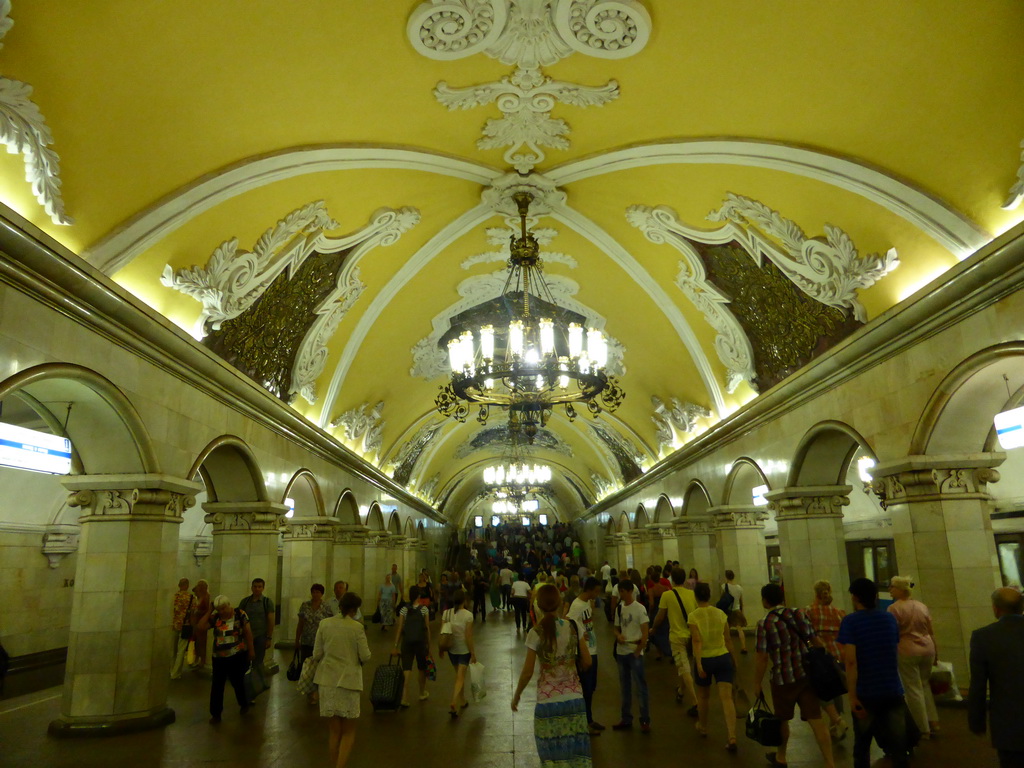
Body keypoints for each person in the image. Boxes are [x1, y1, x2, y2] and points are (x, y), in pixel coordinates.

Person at [754, 582, 834, 768]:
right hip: (806, 675)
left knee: (782, 719)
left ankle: (781, 757)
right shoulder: (798, 613)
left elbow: (762, 658)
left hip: (783, 679)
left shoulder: (764, 624)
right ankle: (830, 763)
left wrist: (757, 683)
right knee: (816, 720)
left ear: (765, 601)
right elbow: (815, 640)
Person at [512, 583, 592, 768]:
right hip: (574, 700)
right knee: (577, 756)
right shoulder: (573, 626)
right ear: (559, 603)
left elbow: (527, 672)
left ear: (538, 606)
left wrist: (517, 696)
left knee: (552, 758)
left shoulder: (535, 632)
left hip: (548, 702)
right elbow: (587, 661)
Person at [838, 577, 908, 768]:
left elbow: (851, 661)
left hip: (866, 691)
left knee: (862, 744)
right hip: (892, 688)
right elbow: (894, 650)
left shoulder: (850, 622)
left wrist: (852, 696)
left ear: (855, 597)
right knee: (899, 744)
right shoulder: (889, 619)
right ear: (876, 596)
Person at [312, 591, 371, 768]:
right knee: (349, 732)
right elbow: (365, 655)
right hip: (349, 682)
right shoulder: (357, 627)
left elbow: (316, 654)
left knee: (334, 731)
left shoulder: (324, 624)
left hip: (327, 681)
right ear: (354, 609)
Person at [969, 587, 1024, 768]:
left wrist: (977, 721)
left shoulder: (983, 637)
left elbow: (978, 684)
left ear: (996, 608)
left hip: (1009, 724)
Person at [887, 575, 939, 738]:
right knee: (924, 685)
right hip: (927, 647)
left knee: (912, 688)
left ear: (900, 590)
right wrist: (936, 651)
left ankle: (921, 728)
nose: (890, 589)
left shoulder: (894, 608)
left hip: (907, 649)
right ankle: (933, 722)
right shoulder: (921, 606)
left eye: (892, 586)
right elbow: (930, 630)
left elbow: (892, 632)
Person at [689, 581, 739, 752]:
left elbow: (696, 641)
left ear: (696, 597)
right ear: (709, 595)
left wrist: (698, 663)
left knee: (703, 697)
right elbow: (728, 639)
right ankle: (732, 736)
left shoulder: (693, 616)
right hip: (723, 657)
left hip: (705, 659)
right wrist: (734, 659)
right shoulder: (721, 614)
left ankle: (703, 726)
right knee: (726, 698)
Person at [651, 566, 699, 716]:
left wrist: (653, 628)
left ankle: (695, 703)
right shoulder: (692, 594)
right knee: (684, 666)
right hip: (691, 636)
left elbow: (660, 616)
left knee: (684, 669)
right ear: (684, 578)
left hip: (676, 637)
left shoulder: (668, 595)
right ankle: (680, 691)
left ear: (672, 578)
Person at [200, 595, 255, 724]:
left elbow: (248, 632)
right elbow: (201, 626)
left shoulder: (239, 614)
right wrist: (210, 611)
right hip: (219, 657)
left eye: (223, 608)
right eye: (219, 609)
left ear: (229, 605)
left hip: (237, 655)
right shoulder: (216, 618)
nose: (222, 611)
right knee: (217, 685)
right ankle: (216, 714)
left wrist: (251, 650)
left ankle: (243, 703)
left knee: (237, 682)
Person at [805, 579, 848, 740]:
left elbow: (806, 633)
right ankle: (834, 727)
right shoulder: (838, 612)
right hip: (838, 654)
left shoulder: (809, 611)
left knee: (821, 691)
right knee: (836, 690)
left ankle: (836, 721)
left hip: (821, 657)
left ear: (815, 593)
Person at [612, 579, 651, 732]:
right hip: (622, 652)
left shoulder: (639, 609)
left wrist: (638, 651)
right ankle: (626, 718)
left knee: (640, 687)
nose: (620, 594)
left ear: (629, 591)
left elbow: (645, 631)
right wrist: (618, 636)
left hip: (634, 652)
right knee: (625, 687)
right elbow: (615, 628)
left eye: (622, 591)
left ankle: (645, 719)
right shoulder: (619, 608)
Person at [568, 576, 605, 735]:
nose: (597, 594)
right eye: (596, 591)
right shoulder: (576, 605)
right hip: (584, 652)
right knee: (585, 688)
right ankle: (583, 722)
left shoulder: (587, 604)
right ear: (589, 589)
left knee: (591, 688)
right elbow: (569, 625)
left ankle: (589, 719)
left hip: (593, 649)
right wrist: (579, 644)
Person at [392, 585, 432, 706]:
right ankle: (421, 692)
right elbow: (427, 628)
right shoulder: (424, 609)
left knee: (407, 668)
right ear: (419, 596)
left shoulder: (404, 610)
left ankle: (404, 697)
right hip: (420, 642)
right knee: (421, 668)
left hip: (407, 641)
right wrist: (429, 645)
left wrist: (395, 645)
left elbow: (399, 628)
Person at [440, 589, 476, 718]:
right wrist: (472, 652)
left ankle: (463, 700)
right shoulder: (468, 615)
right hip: (464, 650)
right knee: (460, 678)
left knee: (458, 677)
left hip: (452, 650)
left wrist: (441, 649)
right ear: (464, 601)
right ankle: (453, 702)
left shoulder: (446, 613)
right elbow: (468, 636)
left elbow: (443, 632)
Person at [237, 578, 275, 692]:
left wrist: (268, 637)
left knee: (258, 661)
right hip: (246, 637)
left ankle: (256, 685)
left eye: (259, 586)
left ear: (263, 588)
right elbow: (239, 618)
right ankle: (250, 683)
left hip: (260, 636)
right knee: (245, 660)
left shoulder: (267, 602)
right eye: (255, 586)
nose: (257, 589)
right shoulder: (245, 602)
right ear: (251, 587)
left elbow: (271, 620)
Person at [170, 577, 194, 679]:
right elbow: (193, 613)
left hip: (174, 625)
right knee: (181, 650)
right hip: (185, 626)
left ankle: (171, 669)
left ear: (179, 585)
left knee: (173, 650)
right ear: (187, 586)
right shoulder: (191, 597)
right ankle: (175, 673)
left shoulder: (174, 596)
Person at [722, 569, 748, 654]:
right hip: (736, 610)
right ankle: (743, 646)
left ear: (726, 577)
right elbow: (741, 601)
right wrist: (742, 611)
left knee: (726, 630)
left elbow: (722, 599)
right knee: (739, 629)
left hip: (727, 610)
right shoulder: (739, 588)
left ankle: (727, 647)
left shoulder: (724, 586)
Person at [191, 579, 212, 667]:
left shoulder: (206, 596)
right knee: (196, 641)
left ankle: (202, 660)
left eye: (200, 586)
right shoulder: (199, 596)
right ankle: (196, 658)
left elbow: (207, 610)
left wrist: (198, 612)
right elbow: (193, 589)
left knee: (201, 642)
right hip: (196, 621)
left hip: (201, 620)